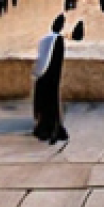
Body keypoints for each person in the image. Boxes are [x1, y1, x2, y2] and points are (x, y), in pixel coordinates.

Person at [33, 15, 69, 144]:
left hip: (43, 77)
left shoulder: (46, 39)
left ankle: (45, 126)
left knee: (45, 103)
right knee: (51, 103)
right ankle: (51, 128)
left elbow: (41, 59)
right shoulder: (57, 40)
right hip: (52, 78)